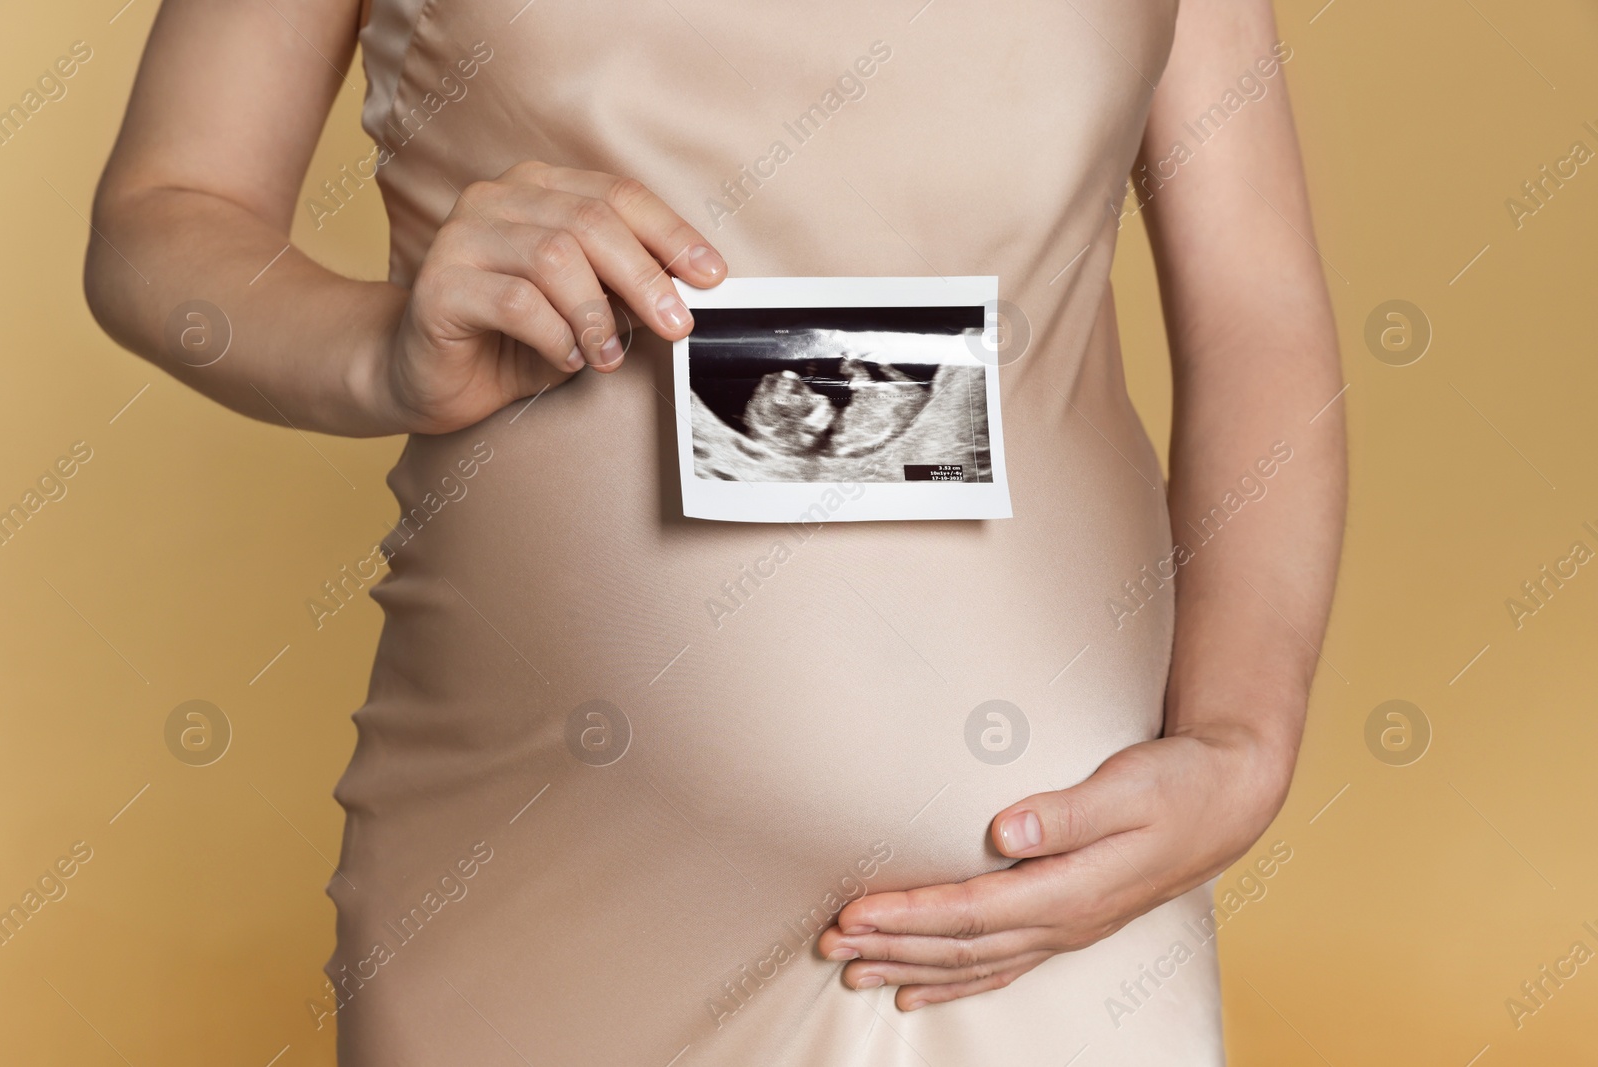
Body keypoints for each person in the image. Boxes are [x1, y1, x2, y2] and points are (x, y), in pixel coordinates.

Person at [84, 0, 1345, 1062]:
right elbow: (164, 212)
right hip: (542, 910)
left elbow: (1258, 316)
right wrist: (380, 351)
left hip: (1046, 921)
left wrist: (1244, 741)